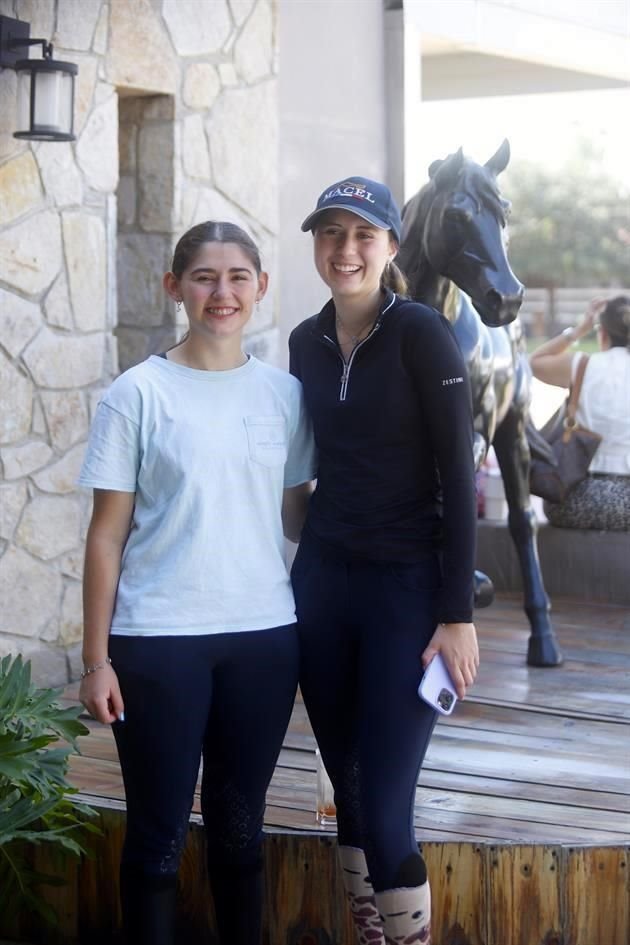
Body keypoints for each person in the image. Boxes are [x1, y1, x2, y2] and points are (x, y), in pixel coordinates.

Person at [78, 221, 316, 945]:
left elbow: (299, 515)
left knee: (241, 833)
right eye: (206, 277)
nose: (223, 292)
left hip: (264, 641)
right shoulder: (137, 393)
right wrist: (96, 659)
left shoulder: (284, 395)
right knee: (157, 835)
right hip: (157, 644)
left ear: (261, 287)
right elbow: (106, 535)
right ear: (174, 287)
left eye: (238, 276)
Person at [288, 177, 479, 945]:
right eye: (331, 233)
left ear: (391, 247)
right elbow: (297, 468)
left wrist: (457, 612)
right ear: (316, 247)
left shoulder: (423, 334)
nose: (346, 249)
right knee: (353, 799)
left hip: (406, 588)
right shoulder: (304, 340)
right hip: (323, 587)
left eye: (364, 234)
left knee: (389, 807)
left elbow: (462, 480)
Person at [530, 295, 630, 530]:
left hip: (575, 500)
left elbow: (534, 362)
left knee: (551, 504)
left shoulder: (582, 365)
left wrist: (579, 329)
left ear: (602, 333)